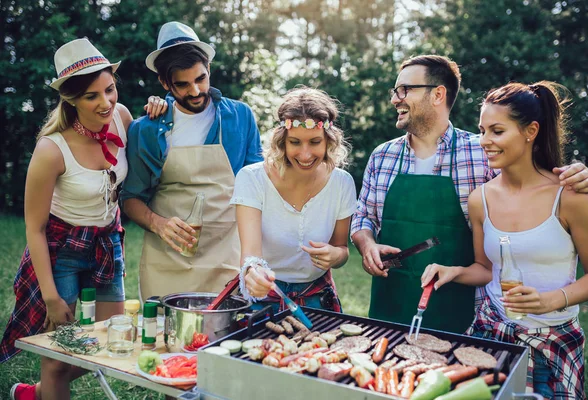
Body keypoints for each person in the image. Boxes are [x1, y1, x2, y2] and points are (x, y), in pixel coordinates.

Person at [351, 55, 588, 334]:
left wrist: (576, 174)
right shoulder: (382, 156)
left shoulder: (485, 154)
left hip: (465, 312)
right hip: (390, 301)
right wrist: (367, 245)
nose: (396, 98)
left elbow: (528, 185)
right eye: (396, 91)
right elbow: (363, 219)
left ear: (438, 94)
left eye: (405, 89)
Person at [421, 81, 588, 399]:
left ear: (530, 131)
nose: (485, 141)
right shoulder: (480, 199)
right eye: (482, 130)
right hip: (491, 337)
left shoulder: (570, 196)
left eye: (497, 131)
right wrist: (454, 272)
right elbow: (485, 268)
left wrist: (549, 300)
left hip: (552, 342)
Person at [1, 39, 132, 400]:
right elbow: (35, 228)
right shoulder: (51, 150)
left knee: (109, 340)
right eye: (92, 96)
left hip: (107, 243)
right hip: (63, 249)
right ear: (71, 99)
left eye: (110, 89)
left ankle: (33, 394)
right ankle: (44, 389)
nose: (105, 102)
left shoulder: (121, 118)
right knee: (58, 357)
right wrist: (51, 296)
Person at [122, 21, 263, 301]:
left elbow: (258, 190)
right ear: (164, 83)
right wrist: (158, 223)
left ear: (209, 69)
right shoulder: (146, 129)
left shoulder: (241, 117)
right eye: (183, 85)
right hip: (167, 260)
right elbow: (130, 198)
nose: (196, 91)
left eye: (200, 79)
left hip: (226, 254)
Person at [231, 87, 356, 312]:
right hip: (264, 299)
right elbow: (250, 255)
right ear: (282, 141)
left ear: (328, 141)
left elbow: (342, 249)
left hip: (318, 298)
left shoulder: (342, 183)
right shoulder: (251, 179)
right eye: (295, 142)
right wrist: (253, 273)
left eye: (315, 142)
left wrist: (335, 255)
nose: (305, 154)